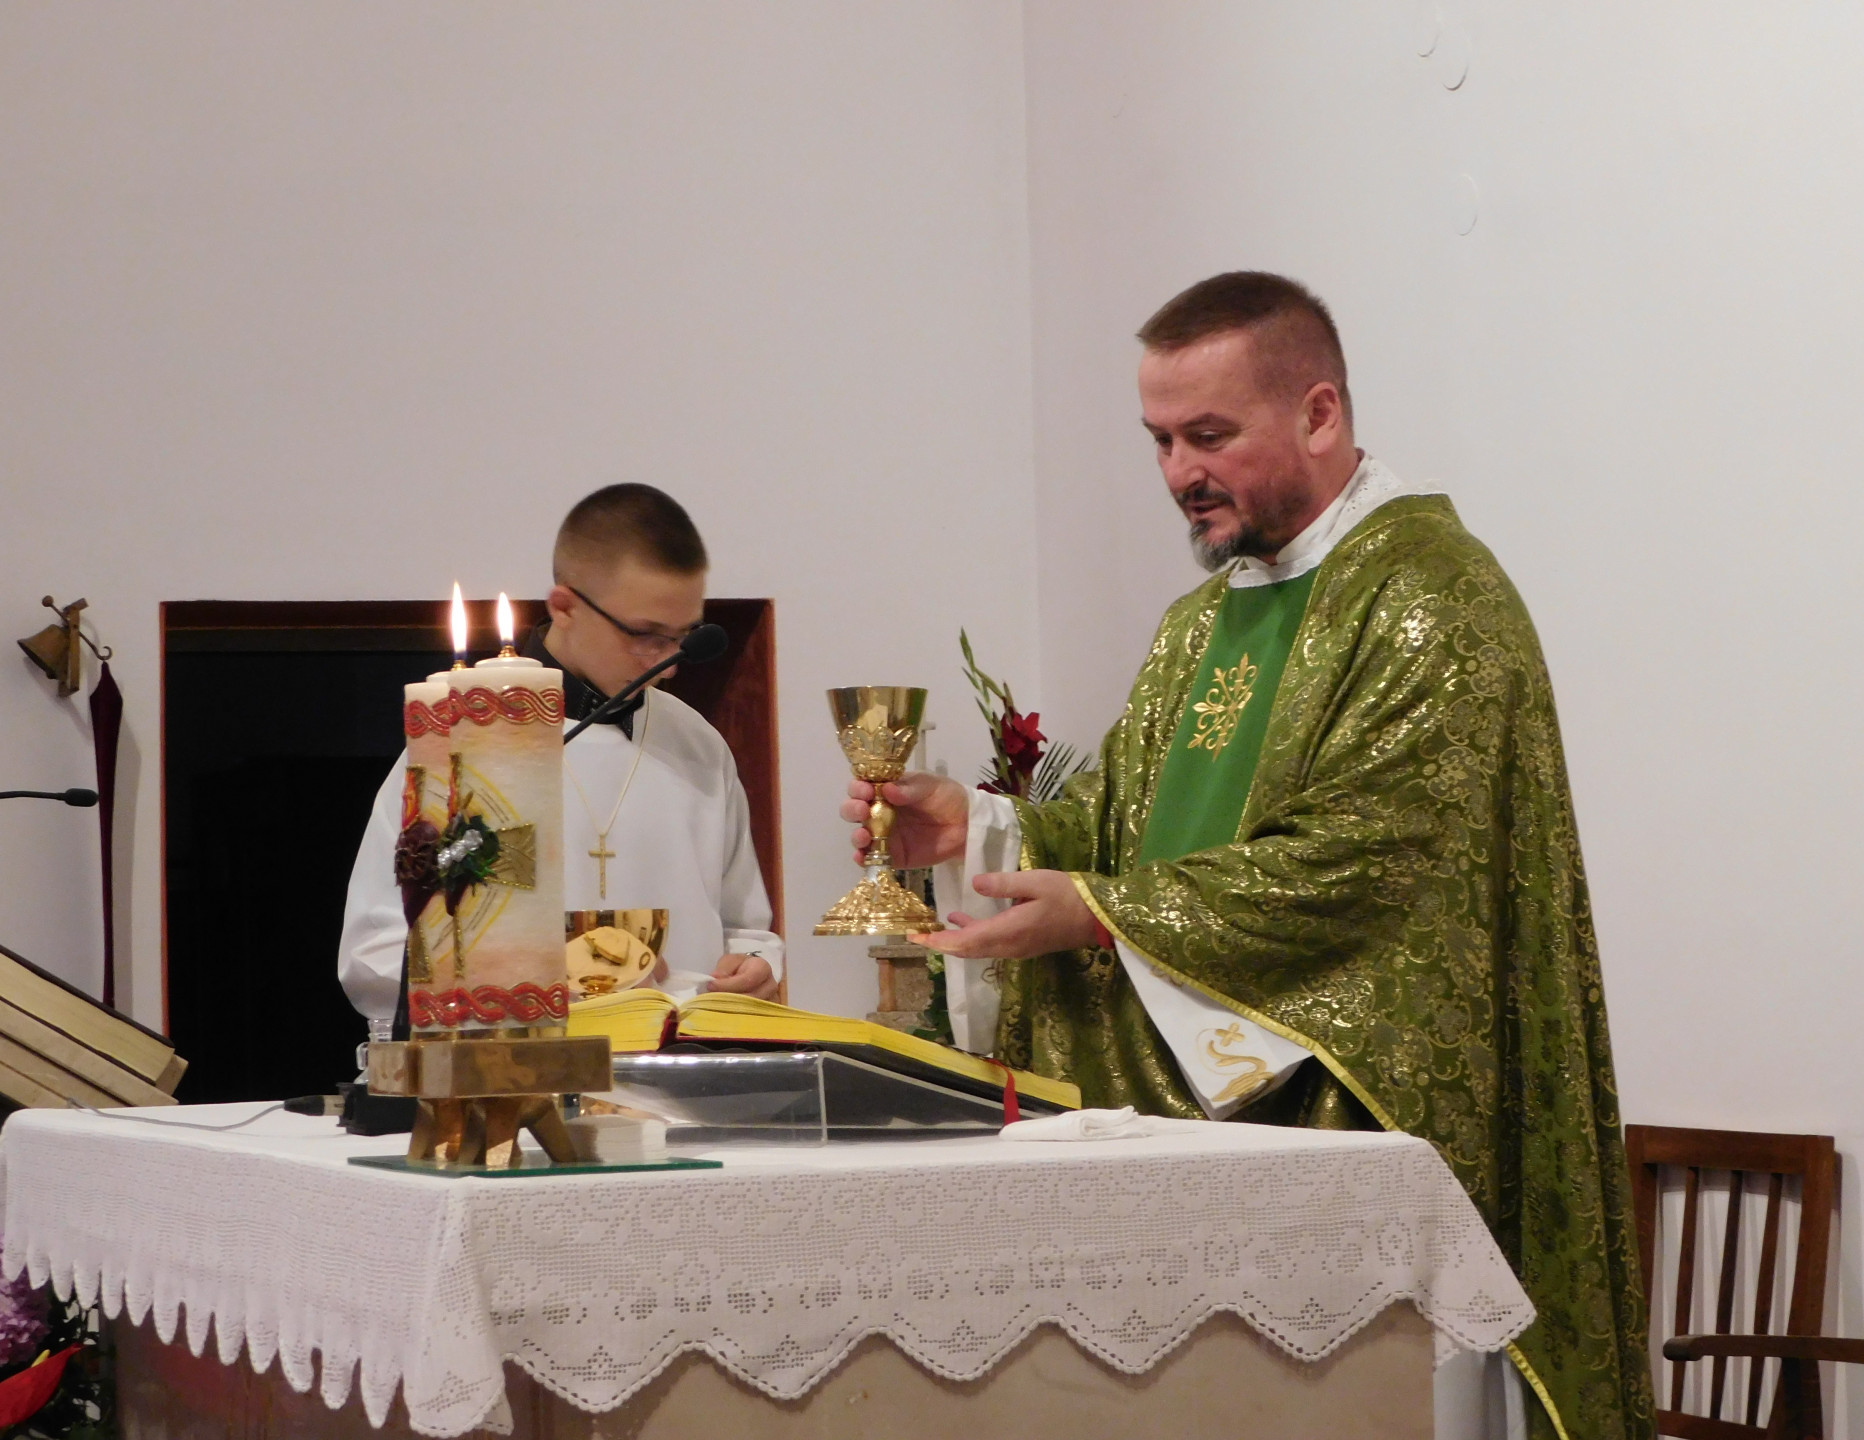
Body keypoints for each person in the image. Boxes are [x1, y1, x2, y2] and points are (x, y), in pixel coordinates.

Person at [841, 273, 1651, 1440]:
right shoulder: (1202, 624)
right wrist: (982, 829)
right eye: (1160, 440)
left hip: (1355, 1142)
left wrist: (1102, 914)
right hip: (1195, 1169)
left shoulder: (1433, 600)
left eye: (1209, 435)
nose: (1179, 471)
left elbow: (1372, 866)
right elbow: (1128, 828)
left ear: (1319, 414)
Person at [341, 483, 782, 1023]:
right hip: (523, 1063)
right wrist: (542, 976)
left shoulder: (698, 743)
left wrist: (755, 965)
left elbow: (742, 926)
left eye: (684, 638)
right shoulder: (461, 740)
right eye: (645, 635)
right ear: (565, 606)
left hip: (679, 1063)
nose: (667, 664)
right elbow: (375, 952)